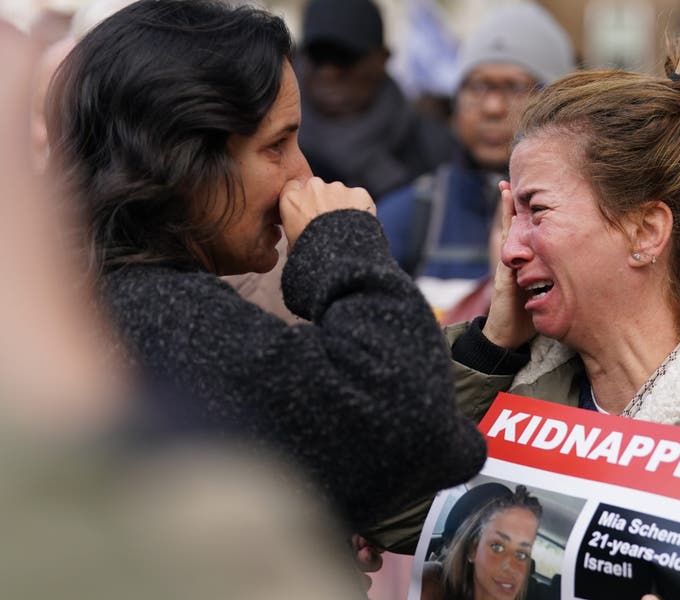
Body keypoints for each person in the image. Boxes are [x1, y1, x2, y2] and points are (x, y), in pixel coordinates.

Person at [45, 0, 486, 538]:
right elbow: (415, 426)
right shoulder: (158, 312)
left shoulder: (88, 296)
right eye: (276, 144)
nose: (302, 173)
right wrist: (339, 244)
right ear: (182, 159)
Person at [444, 3, 680, 599]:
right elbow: (393, 514)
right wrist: (489, 347)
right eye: (510, 214)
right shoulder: (514, 390)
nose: (510, 249)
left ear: (646, 231)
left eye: (537, 210)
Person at [377, 3, 576, 314]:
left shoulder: (583, 221)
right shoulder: (409, 217)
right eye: (477, 86)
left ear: (555, 101)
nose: (493, 107)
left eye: (514, 87)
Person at [296, 0, 456, 200]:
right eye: (318, 56)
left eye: (345, 57)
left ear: (383, 58)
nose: (330, 72)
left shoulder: (431, 145)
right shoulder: (274, 144)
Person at [421, 485, 543, 600]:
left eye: (521, 554)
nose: (511, 567)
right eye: (497, 547)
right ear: (473, 549)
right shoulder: (430, 586)